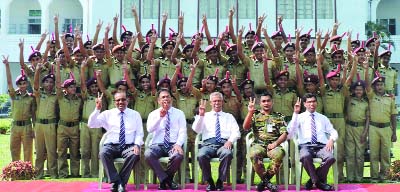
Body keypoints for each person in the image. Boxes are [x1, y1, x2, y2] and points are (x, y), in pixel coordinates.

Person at [88, 92, 143, 192]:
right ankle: (118, 182)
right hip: (112, 145)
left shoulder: (135, 115)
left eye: (123, 99)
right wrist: (97, 109)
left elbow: (139, 133)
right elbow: (91, 124)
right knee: (103, 153)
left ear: (128, 100)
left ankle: (117, 182)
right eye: (118, 100)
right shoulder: (108, 114)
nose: (120, 102)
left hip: (128, 146)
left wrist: (137, 144)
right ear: (114, 102)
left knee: (135, 155)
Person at [287, 93, 338, 191]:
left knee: (330, 158)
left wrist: (331, 139)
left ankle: (312, 180)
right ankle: (319, 183)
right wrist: (295, 114)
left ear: (317, 103)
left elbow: (333, 132)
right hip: (306, 146)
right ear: (305, 104)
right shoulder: (299, 117)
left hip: (321, 146)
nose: (312, 104)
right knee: (305, 156)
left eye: (314, 101)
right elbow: (290, 132)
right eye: (309, 102)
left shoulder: (323, 118)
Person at [192, 92, 241, 191]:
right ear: (210, 102)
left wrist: (230, 141)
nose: (217, 103)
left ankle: (220, 181)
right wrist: (200, 116)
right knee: (201, 155)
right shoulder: (204, 115)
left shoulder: (229, 116)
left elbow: (236, 132)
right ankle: (209, 181)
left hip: (224, 144)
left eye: (219, 101)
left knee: (227, 153)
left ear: (222, 102)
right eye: (214, 101)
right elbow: (196, 130)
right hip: (208, 144)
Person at [242, 93, 288, 192]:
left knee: (279, 154)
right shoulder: (255, 114)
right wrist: (250, 112)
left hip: (274, 145)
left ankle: (263, 182)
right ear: (260, 103)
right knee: (254, 154)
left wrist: (275, 143)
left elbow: (284, 133)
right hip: (259, 144)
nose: (266, 103)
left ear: (272, 102)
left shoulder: (279, 116)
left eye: (268, 100)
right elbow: (245, 127)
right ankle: (268, 183)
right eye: (263, 101)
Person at [145, 88, 187, 190]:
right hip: (157, 144)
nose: (166, 99)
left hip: (173, 144)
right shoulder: (153, 114)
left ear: (171, 99)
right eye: (163, 97)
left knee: (178, 156)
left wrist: (178, 144)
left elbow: (182, 131)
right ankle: (167, 180)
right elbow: (150, 129)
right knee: (148, 154)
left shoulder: (179, 113)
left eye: (168, 96)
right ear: (158, 101)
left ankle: (164, 180)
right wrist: (160, 117)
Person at [3, 55, 35, 162]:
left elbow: (33, 114)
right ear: (18, 85)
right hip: (15, 126)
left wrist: (34, 128)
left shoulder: (31, 98)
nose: (22, 85)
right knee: (14, 150)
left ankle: (27, 171)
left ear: (27, 84)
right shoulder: (14, 95)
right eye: (20, 84)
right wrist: (7, 66)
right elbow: (9, 82)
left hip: (27, 126)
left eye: (24, 83)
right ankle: (16, 171)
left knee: (28, 150)